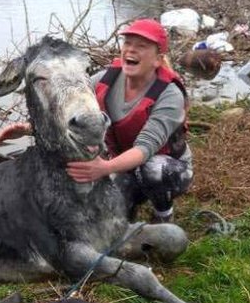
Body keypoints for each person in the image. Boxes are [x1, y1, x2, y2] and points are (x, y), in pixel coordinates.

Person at [66, 18, 193, 223]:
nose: (131, 50)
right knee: (104, 212)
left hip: (167, 167)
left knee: (154, 170)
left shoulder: (169, 95)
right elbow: (71, 110)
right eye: (127, 43)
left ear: (158, 60)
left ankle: (163, 213)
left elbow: (144, 149)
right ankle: (128, 207)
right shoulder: (104, 79)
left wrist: (104, 168)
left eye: (141, 46)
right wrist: (28, 128)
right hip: (121, 164)